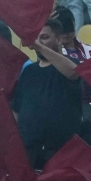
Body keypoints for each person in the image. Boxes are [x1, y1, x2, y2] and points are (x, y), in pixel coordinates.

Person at [11, 18, 84, 168]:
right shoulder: (29, 71)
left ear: (58, 39)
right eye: (36, 38)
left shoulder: (70, 65)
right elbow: (17, 109)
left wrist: (37, 46)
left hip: (60, 152)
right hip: (29, 151)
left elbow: (73, 73)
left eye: (44, 37)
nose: (39, 42)